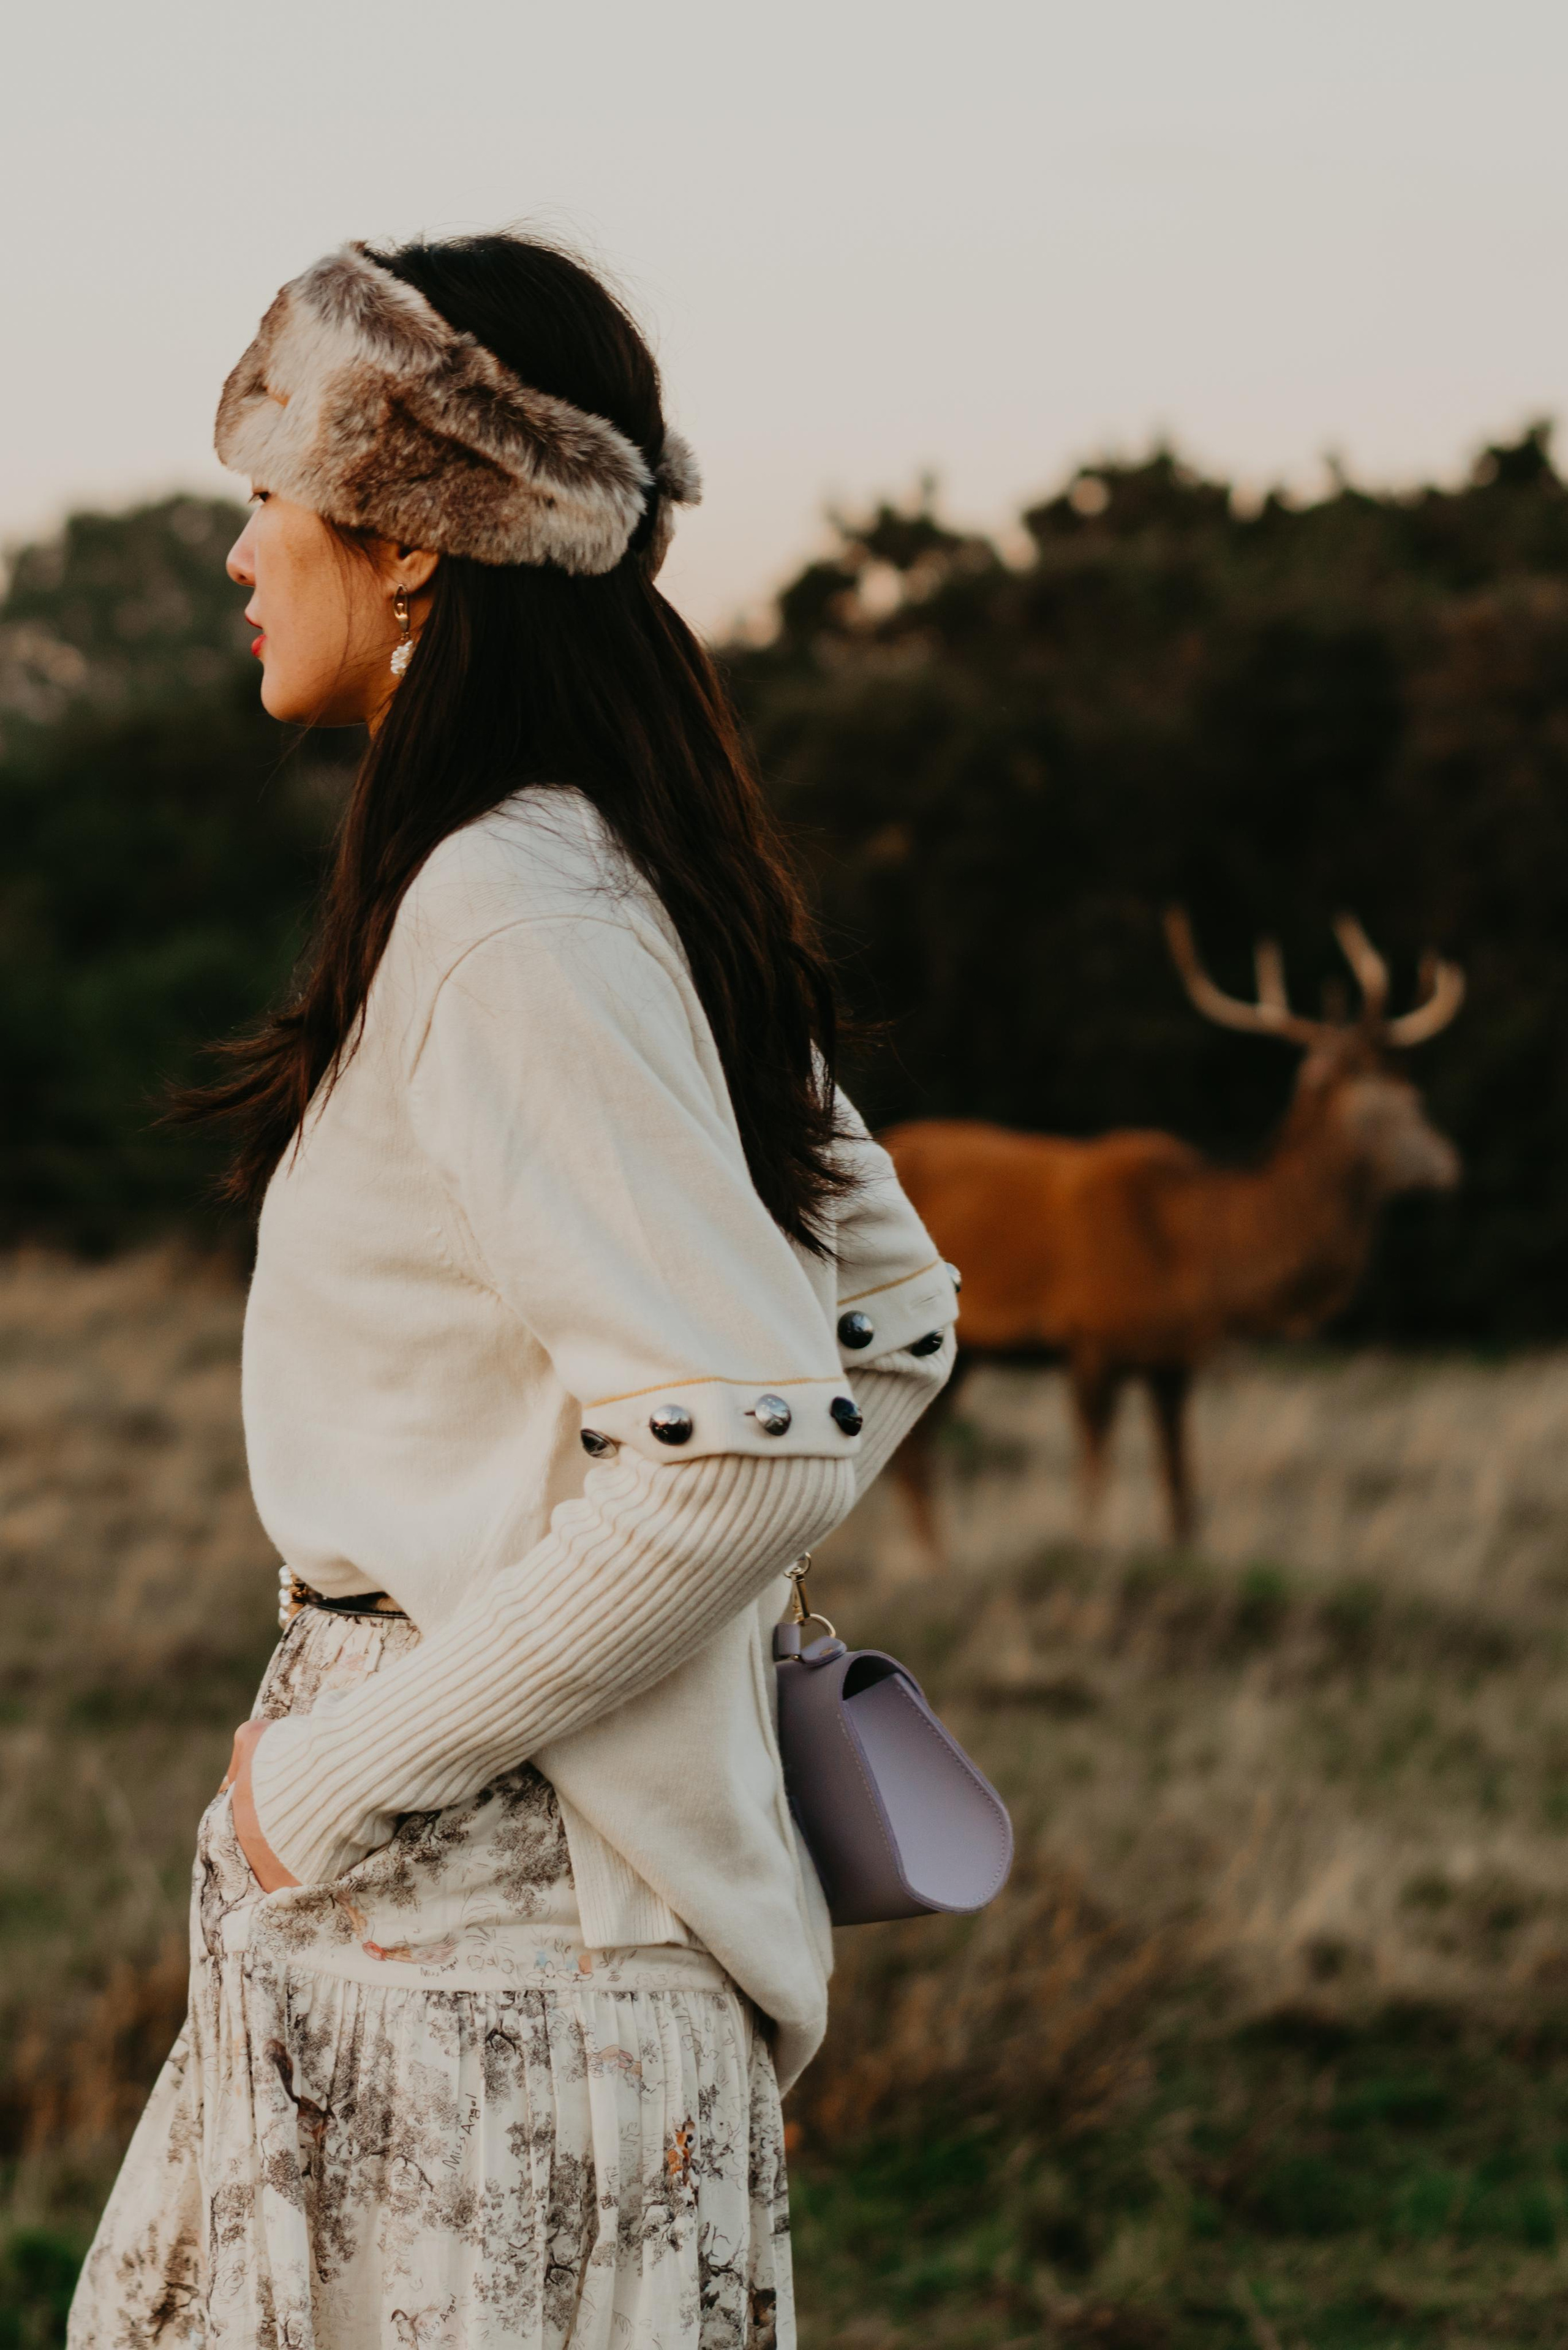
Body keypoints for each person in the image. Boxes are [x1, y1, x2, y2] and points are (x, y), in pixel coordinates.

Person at [68, 232, 957, 2350]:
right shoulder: (605, 868)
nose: (236, 553)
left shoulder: (507, 910)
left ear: (415, 543)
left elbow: (746, 1447)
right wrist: (603, 1619)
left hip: (473, 1955)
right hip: (514, 1928)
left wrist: (353, 1764)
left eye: (268, 491)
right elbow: (887, 1317)